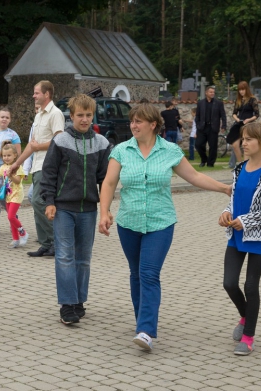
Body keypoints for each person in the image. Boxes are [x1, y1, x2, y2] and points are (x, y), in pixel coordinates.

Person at [98, 103, 230, 352]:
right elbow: (109, 183)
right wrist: (104, 212)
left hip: (160, 223)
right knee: (136, 273)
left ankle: (146, 330)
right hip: (128, 222)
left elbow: (194, 176)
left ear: (153, 124)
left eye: (138, 121)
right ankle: (142, 320)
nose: (133, 125)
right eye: (132, 121)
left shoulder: (170, 151)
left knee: (149, 273)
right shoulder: (122, 151)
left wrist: (224, 188)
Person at [40, 94, 111, 325]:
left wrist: (106, 209)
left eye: (88, 115)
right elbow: (49, 173)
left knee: (84, 258)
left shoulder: (101, 143)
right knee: (64, 256)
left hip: (88, 210)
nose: (84, 119)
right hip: (63, 208)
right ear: (71, 116)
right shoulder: (61, 141)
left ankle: (79, 300)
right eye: (80, 115)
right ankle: (67, 305)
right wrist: (49, 201)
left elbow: (105, 180)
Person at [218, 122, 261, 355]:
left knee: (250, 286)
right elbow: (235, 199)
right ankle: (246, 316)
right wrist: (226, 212)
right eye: (243, 139)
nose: (243, 143)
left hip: (259, 237)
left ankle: (248, 337)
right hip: (236, 235)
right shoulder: (239, 168)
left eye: (248, 139)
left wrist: (246, 220)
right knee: (229, 283)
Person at [10, 81, 65, 258]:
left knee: (38, 201)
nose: (33, 96)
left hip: (48, 166)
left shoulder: (55, 114)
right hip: (36, 166)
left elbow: (59, 141)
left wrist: (38, 147)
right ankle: (46, 244)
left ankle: (57, 241)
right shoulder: (39, 115)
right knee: (35, 202)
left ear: (46, 94)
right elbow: (31, 146)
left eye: (36, 93)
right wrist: (17, 164)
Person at [0, 141, 29, 248]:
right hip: (8, 195)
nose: (6, 158)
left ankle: (23, 233)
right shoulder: (3, 167)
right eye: (4, 155)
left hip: (17, 195)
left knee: (11, 216)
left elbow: (17, 181)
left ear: (15, 155)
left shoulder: (17, 167)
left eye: (9, 155)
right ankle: (15, 239)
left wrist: (10, 175)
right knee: (11, 218)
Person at [227, 81, 260, 164]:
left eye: (243, 89)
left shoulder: (252, 99)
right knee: (235, 145)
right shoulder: (238, 100)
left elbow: (257, 114)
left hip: (248, 124)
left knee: (246, 145)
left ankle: (246, 163)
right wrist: (237, 119)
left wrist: (249, 120)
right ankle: (240, 163)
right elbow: (234, 113)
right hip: (239, 124)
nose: (241, 91)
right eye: (240, 90)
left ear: (246, 89)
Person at [195, 86, 227, 167]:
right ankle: (204, 159)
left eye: (213, 92)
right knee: (198, 144)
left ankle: (210, 163)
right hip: (202, 127)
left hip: (213, 128)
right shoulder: (200, 103)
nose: (212, 93)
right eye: (211, 92)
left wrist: (223, 125)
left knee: (213, 146)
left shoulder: (219, 103)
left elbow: (223, 115)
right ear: (206, 93)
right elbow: (197, 115)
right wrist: (198, 125)